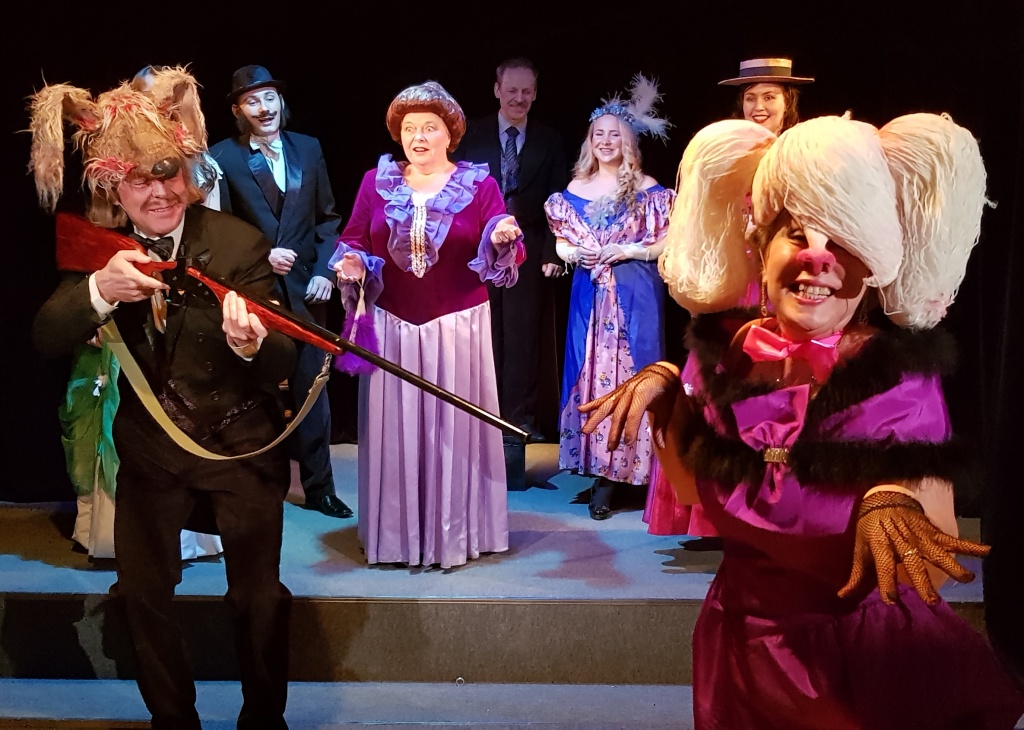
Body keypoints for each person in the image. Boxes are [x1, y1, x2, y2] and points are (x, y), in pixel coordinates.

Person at [581, 114, 1024, 728]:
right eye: (796, 234)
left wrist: (896, 495)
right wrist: (670, 402)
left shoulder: (896, 374)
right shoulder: (726, 358)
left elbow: (932, 557)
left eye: (840, 238)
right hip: (742, 646)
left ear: (872, 261)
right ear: (761, 250)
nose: (816, 258)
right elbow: (693, 494)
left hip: (855, 659)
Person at [29, 70, 295, 729]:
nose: (158, 192)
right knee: (142, 595)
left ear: (186, 171)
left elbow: (290, 357)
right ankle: (174, 721)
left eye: (167, 174)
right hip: (152, 453)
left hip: (240, 445)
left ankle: (264, 719)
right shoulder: (100, 252)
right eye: (138, 181)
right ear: (113, 188)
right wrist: (98, 292)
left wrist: (250, 345)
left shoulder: (237, 242)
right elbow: (45, 335)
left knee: (260, 599)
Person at [330, 81, 523, 569]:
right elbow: (354, 239)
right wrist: (350, 262)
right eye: (410, 128)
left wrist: (502, 235)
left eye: (430, 128)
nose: (418, 137)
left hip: (456, 329)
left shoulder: (477, 184)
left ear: (449, 135)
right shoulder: (376, 182)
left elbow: (501, 234)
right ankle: (396, 537)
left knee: (452, 433)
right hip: (393, 328)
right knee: (395, 434)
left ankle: (455, 534)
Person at [61, 65, 225, 561]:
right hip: (121, 320)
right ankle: (118, 536)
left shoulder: (192, 162)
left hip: (187, 305)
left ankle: (192, 535)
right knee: (117, 420)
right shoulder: (108, 159)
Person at [211, 64, 352, 519]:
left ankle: (319, 488)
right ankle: (258, 487)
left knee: (314, 393)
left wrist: (326, 272)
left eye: (269, 97)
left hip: (308, 292)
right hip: (257, 294)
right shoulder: (223, 157)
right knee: (258, 394)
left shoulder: (308, 148)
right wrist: (262, 255)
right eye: (252, 100)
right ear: (239, 110)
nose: (264, 107)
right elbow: (220, 230)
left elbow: (328, 219)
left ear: (280, 101)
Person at [543, 75, 673, 520]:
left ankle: (632, 472)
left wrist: (630, 250)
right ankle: (601, 469)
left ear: (628, 141)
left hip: (635, 293)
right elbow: (561, 241)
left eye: (614, 135)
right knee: (592, 375)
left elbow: (667, 242)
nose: (604, 142)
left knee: (632, 375)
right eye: (598, 134)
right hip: (590, 298)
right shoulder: (574, 190)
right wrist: (572, 253)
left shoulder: (648, 189)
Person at [456, 57, 568, 445]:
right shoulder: (470, 134)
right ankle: (481, 414)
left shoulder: (549, 140)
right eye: (511, 90)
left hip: (529, 250)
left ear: (535, 94)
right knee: (482, 332)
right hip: (478, 250)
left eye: (526, 91)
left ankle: (518, 419)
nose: (518, 98)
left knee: (522, 337)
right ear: (496, 90)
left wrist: (553, 252)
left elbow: (558, 200)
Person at [719, 56, 813, 135]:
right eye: (750, 99)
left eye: (768, 97)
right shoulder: (726, 148)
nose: (758, 107)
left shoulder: (801, 147)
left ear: (787, 102)